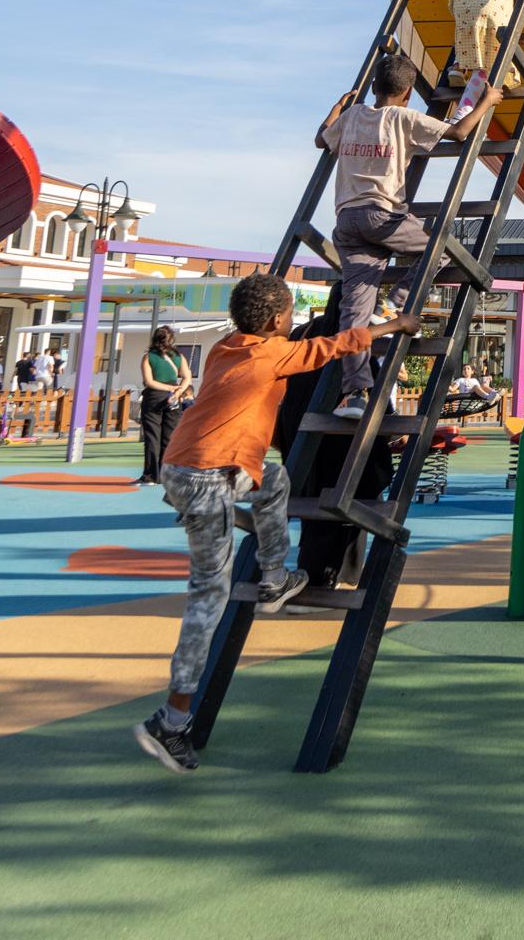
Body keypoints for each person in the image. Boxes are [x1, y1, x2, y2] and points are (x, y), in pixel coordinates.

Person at [135, 273, 417, 773]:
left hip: (197, 466)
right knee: (209, 596)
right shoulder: (273, 354)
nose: (291, 325)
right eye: (286, 317)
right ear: (273, 322)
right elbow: (337, 344)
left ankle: (273, 575)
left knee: (275, 478)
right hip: (207, 476)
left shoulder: (227, 347)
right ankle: (171, 721)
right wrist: (398, 322)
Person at [316, 48, 497, 416]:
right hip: (382, 215)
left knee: (354, 310)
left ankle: (354, 395)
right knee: (440, 251)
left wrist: (338, 106)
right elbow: (460, 132)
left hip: (346, 221)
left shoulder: (352, 116)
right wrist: (487, 101)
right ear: (408, 92)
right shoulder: (403, 117)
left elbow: (322, 139)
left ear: (373, 86)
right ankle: (394, 304)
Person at [137, 327, 194, 486]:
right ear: (172, 339)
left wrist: (168, 389)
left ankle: (150, 476)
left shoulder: (148, 357)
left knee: (152, 437)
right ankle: (166, 475)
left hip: (154, 397)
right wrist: (178, 390)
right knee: (169, 437)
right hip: (174, 398)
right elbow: (187, 377)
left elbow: (148, 382)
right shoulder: (179, 357)